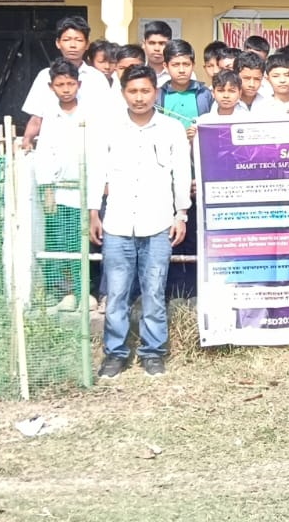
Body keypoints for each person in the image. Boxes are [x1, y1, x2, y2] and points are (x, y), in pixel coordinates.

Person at [87, 65, 191, 378]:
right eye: (133, 91)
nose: (139, 97)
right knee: (117, 294)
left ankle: (153, 352)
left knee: (154, 291)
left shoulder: (171, 129)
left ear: (155, 92)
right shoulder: (109, 127)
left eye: (145, 90)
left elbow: (181, 174)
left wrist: (181, 214)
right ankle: (115, 354)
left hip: (158, 223)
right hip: (117, 223)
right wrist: (94, 212)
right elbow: (96, 171)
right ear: (123, 94)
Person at [33, 59, 89, 313]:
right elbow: (44, 154)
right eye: (60, 85)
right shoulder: (50, 116)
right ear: (51, 87)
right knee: (59, 241)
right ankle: (60, 293)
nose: (66, 89)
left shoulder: (89, 113)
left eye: (70, 84)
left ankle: (83, 292)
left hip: (86, 189)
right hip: (59, 190)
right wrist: (47, 189)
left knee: (82, 243)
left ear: (79, 84)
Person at [22, 16, 106, 149]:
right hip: (53, 148)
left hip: (87, 148)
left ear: (87, 44)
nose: (73, 45)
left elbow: (106, 117)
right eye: (67, 40)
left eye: (79, 40)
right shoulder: (45, 76)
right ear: (58, 43)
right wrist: (27, 140)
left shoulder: (97, 78)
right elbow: (36, 117)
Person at [154, 39, 213, 134]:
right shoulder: (158, 95)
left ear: (193, 65)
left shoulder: (204, 93)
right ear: (166, 66)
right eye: (175, 65)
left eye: (186, 64)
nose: (181, 70)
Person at [141, 21, 174, 86]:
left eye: (162, 43)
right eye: (152, 43)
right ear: (143, 44)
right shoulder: (135, 72)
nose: (157, 48)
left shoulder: (182, 73)